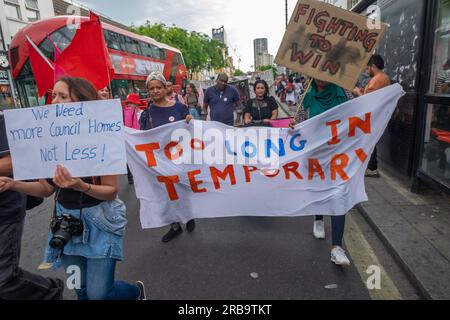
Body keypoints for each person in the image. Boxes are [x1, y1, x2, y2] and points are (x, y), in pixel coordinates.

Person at [0, 77, 146, 300]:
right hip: (66, 226)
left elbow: (111, 191)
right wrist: (13, 184)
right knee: (80, 289)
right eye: (53, 95)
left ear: (81, 101)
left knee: (99, 294)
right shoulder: (49, 142)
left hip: (100, 224)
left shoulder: (103, 138)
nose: (55, 101)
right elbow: (46, 189)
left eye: (62, 96)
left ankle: (135, 292)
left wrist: (81, 185)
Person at [0, 113, 64, 300]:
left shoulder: (3, 121)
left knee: (4, 279)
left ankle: (50, 291)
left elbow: (13, 162)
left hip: (5, 211)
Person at [290, 79, 351, 266]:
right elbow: (299, 122)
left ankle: (336, 248)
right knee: (318, 191)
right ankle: (318, 218)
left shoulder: (343, 93)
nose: (321, 78)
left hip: (337, 154)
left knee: (339, 195)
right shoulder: (306, 96)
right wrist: (294, 125)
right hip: (315, 155)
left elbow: (355, 115)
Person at [139, 71, 195, 243]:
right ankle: (174, 226)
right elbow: (142, 137)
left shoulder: (179, 107)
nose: (155, 91)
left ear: (165, 88)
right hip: (159, 163)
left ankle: (189, 216)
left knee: (183, 190)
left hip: (180, 160)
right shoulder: (146, 114)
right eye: (151, 88)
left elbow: (190, 131)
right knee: (165, 195)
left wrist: (189, 121)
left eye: (158, 87)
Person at [353, 54, 391, 178]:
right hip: (377, 114)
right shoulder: (383, 77)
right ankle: (370, 166)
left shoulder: (377, 79)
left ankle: (371, 167)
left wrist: (358, 92)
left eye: (367, 68)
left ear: (373, 66)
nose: (366, 70)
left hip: (373, 115)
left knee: (369, 140)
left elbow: (369, 99)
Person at [123, 93, 142, 185]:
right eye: (127, 103)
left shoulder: (143, 114)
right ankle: (130, 175)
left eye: (130, 103)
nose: (128, 105)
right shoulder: (126, 114)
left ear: (136, 103)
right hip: (129, 141)